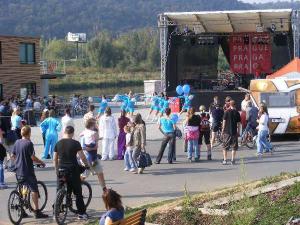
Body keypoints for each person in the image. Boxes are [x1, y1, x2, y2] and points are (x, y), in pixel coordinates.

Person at [53, 126, 91, 220]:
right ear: (72, 133)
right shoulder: (75, 143)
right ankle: (81, 213)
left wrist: (56, 170)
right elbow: (82, 157)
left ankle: (56, 212)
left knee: (59, 190)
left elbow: (55, 159)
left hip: (61, 169)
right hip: (73, 170)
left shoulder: (58, 143)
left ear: (64, 132)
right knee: (78, 192)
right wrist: (87, 165)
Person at [12, 126, 48, 218]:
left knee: (21, 187)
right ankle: (37, 211)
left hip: (18, 170)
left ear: (21, 133)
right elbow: (32, 157)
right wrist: (41, 162)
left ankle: (22, 210)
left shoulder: (17, 142)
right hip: (27, 171)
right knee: (34, 190)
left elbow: (13, 155)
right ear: (29, 133)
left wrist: (17, 162)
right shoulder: (29, 143)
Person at [221, 100, 241, 165]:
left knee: (225, 146)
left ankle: (225, 160)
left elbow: (224, 122)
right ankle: (232, 160)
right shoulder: (237, 113)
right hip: (234, 132)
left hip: (227, 132)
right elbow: (239, 124)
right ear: (235, 105)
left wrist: (222, 130)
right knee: (234, 147)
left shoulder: (226, 112)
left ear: (230, 105)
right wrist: (238, 131)